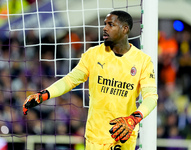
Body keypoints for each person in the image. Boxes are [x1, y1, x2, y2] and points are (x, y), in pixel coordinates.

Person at [23, 10, 158, 150]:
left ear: (125, 29)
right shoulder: (93, 55)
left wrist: (134, 118)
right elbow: (70, 80)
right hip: (96, 137)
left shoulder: (143, 61)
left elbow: (151, 97)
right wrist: (45, 94)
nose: (105, 28)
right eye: (105, 24)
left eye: (111, 25)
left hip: (123, 134)